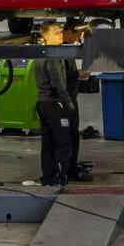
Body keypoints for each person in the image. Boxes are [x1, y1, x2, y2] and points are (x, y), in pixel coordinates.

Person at [35, 25, 84, 186]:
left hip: (42, 103)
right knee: (63, 142)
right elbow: (57, 81)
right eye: (56, 32)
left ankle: (48, 177)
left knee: (47, 142)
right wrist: (68, 101)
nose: (60, 34)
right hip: (55, 104)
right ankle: (61, 176)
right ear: (46, 36)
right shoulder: (54, 55)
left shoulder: (39, 54)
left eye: (61, 31)